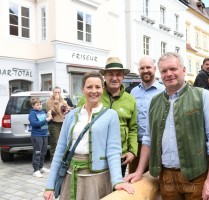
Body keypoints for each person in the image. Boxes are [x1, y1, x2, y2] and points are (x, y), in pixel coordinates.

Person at [125, 52, 209, 200]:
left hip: (196, 177)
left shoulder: (203, 96)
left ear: (183, 70)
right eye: (164, 71)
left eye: (173, 69)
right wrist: (139, 171)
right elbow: (148, 139)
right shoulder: (155, 101)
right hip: (166, 177)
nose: (169, 74)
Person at [44, 71, 134, 200]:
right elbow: (60, 150)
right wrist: (50, 186)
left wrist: (117, 181)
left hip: (97, 179)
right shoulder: (71, 115)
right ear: (82, 89)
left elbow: (113, 150)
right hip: (70, 176)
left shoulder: (111, 115)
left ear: (102, 89)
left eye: (97, 87)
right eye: (89, 87)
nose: (94, 91)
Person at [77, 57, 138, 177]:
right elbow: (78, 122)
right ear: (104, 75)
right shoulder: (91, 95)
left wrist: (132, 151)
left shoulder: (130, 100)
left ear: (123, 77)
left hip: (120, 156)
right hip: (94, 154)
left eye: (118, 74)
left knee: (114, 191)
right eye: (110, 74)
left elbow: (133, 128)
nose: (114, 78)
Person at [129, 56, 165, 173]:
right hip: (137, 145)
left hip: (157, 145)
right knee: (135, 181)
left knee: (155, 181)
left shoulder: (164, 90)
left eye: (148, 67)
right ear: (138, 70)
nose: (145, 70)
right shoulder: (134, 92)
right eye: (142, 68)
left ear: (155, 69)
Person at [28, 98, 52, 178]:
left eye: (40, 104)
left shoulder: (42, 112)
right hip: (37, 135)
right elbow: (34, 123)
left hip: (44, 135)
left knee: (43, 152)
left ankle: (41, 167)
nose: (39, 106)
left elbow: (48, 122)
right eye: (37, 105)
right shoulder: (32, 113)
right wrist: (46, 119)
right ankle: (36, 170)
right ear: (33, 106)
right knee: (37, 152)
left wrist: (49, 116)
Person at [46, 86, 71, 159]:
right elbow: (54, 111)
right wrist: (56, 102)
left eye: (58, 92)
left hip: (62, 123)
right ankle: (54, 159)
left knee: (63, 142)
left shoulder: (63, 100)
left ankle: (62, 158)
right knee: (55, 142)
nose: (57, 94)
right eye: (55, 92)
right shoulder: (49, 101)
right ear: (53, 93)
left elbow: (65, 110)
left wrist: (67, 109)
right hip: (54, 123)